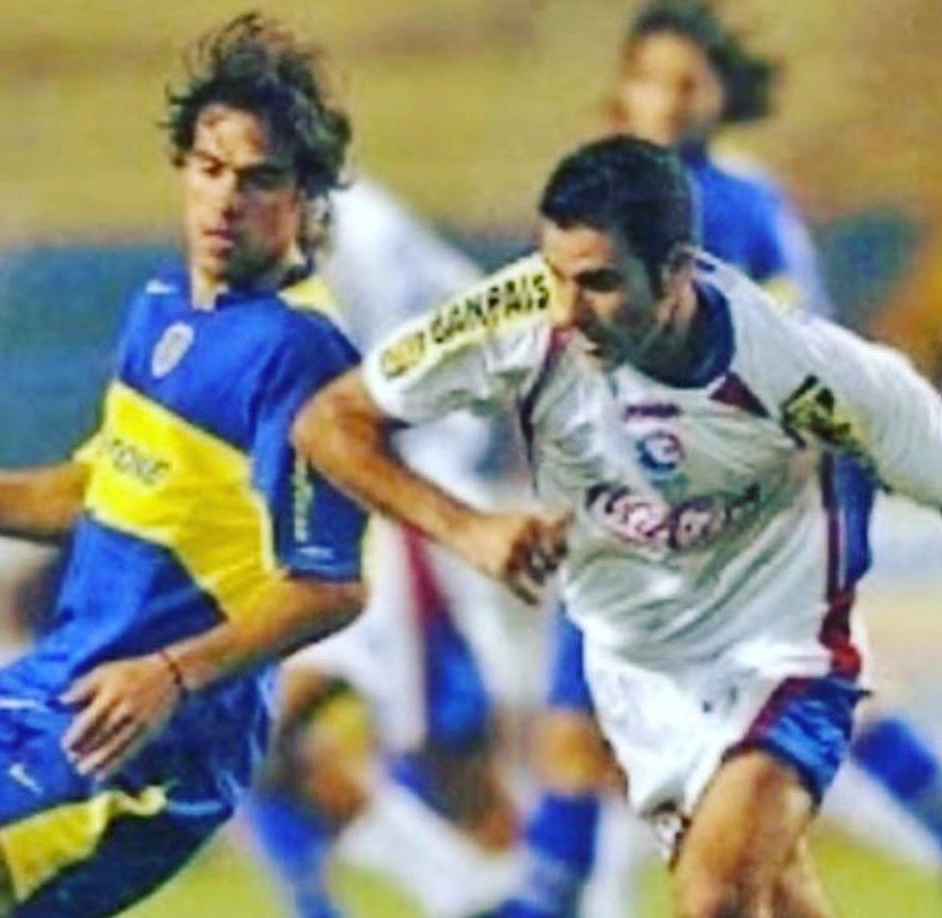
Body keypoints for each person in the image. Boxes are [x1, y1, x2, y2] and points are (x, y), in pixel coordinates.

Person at [0, 14, 368, 918]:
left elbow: (330, 587)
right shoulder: (161, 307)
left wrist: (169, 675)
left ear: (306, 198)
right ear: (181, 168)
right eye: (209, 170)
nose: (225, 200)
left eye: (260, 179)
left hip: (156, 732)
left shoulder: (300, 355)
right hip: (57, 679)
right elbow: (96, 490)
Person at [294, 134, 942, 917]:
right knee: (777, 896)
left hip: (782, 653)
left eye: (600, 283)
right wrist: (469, 530)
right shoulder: (520, 312)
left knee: (713, 895)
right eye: (557, 276)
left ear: (676, 271)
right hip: (640, 676)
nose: (568, 311)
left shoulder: (805, 370)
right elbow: (332, 423)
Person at [520, 9, 942, 915]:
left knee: (779, 764)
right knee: (582, 754)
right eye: (652, 80)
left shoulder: (746, 209)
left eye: (689, 84)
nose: (668, 102)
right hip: (624, 536)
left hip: (738, 542)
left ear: (718, 98)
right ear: (619, 88)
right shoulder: (589, 211)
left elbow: (811, 365)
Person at [246, 177, 531, 918]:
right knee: (264, 736)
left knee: (453, 766)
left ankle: (506, 898)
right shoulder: (367, 216)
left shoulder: (334, 226)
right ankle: (458, 893)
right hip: (353, 507)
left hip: (399, 509)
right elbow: (480, 303)